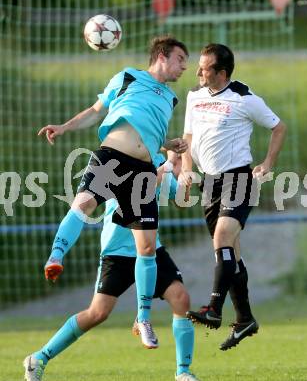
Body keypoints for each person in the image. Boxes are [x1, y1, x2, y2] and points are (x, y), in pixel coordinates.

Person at [37, 35, 189, 347]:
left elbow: (148, 134)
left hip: (142, 172)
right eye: (180, 60)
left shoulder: (170, 99)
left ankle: (143, 319)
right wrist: (64, 127)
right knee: (84, 203)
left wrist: (169, 145)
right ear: (162, 56)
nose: (183, 67)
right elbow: (96, 110)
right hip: (112, 157)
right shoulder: (127, 77)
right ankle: (56, 256)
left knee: (147, 248)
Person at [23, 153, 200, 381]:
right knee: (97, 313)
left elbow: (181, 202)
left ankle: (183, 372)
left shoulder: (157, 159)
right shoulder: (122, 156)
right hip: (117, 251)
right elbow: (144, 185)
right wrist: (167, 165)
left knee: (181, 298)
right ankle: (39, 358)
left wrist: (185, 181)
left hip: (149, 248)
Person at [180, 43, 287, 350]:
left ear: (222, 73)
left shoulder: (243, 97)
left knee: (222, 238)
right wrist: (187, 168)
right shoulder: (195, 97)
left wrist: (267, 164)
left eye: (204, 68)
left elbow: (278, 127)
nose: (198, 72)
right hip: (209, 185)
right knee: (231, 255)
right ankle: (245, 320)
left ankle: (214, 308)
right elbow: (187, 138)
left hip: (239, 178)